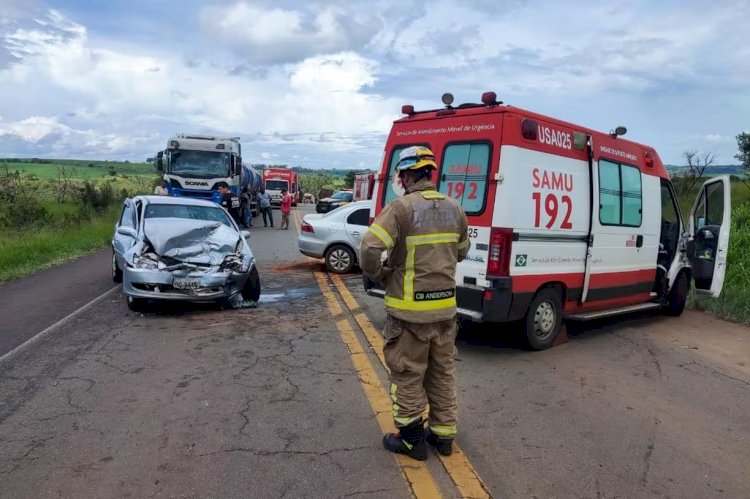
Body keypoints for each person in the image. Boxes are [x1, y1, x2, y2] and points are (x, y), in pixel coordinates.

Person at [359, 146, 469, 461]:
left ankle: (411, 440)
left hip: (409, 315)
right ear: (430, 173)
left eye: (401, 175)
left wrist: (379, 273)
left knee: (407, 374)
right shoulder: (455, 208)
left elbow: (369, 246)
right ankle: (443, 436)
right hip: (445, 311)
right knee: (442, 373)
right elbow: (461, 251)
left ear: (407, 175)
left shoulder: (401, 208)